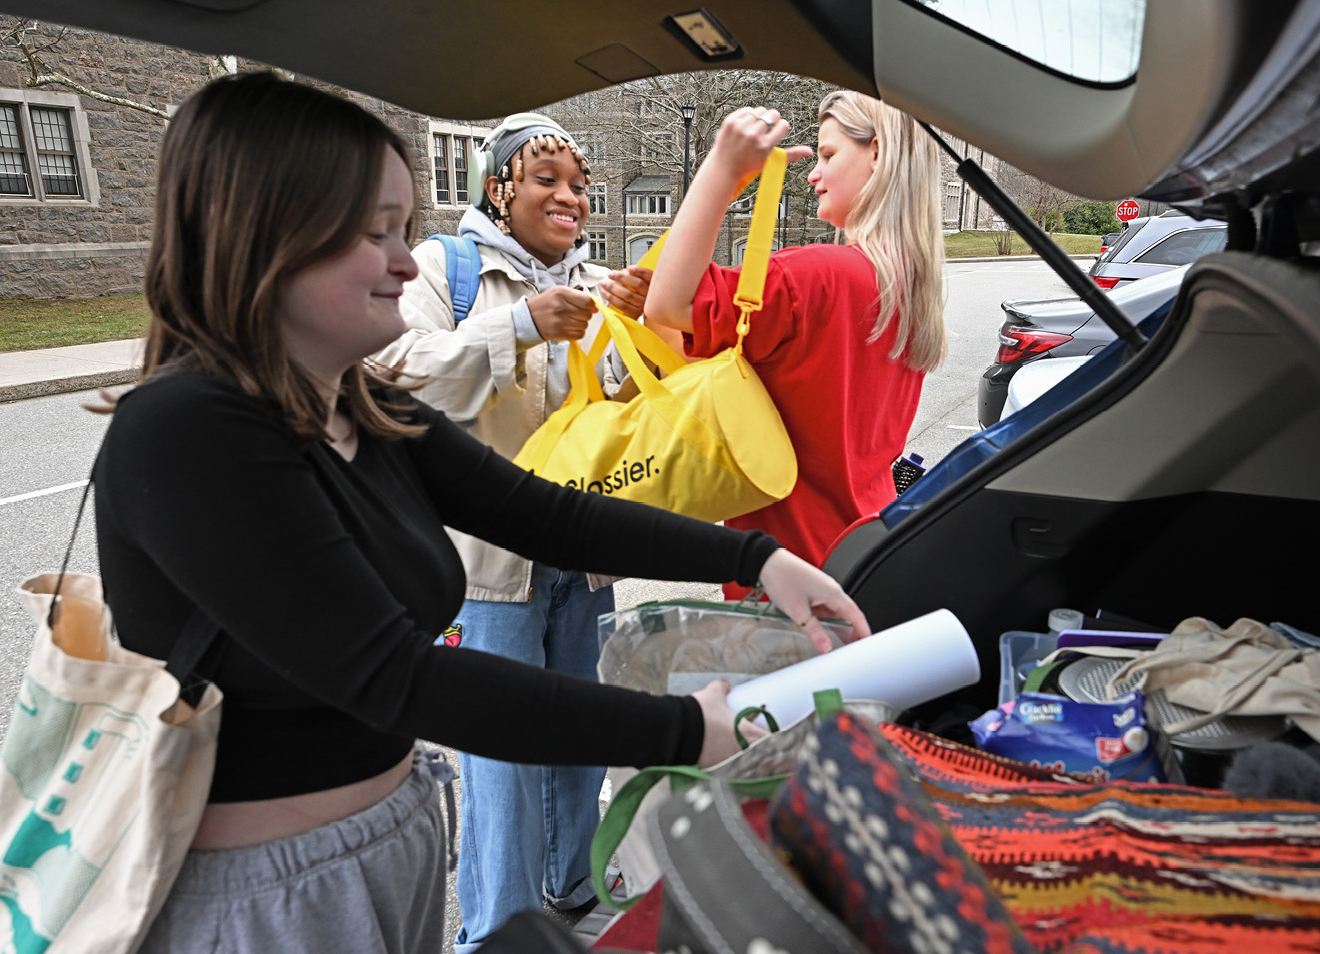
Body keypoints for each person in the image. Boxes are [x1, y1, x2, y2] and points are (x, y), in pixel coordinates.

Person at [91, 72, 869, 954]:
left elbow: (547, 515)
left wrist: (756, 560)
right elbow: (397, 677)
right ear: (264, 241)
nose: (402, 259)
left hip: (390, 840)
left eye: (403, 227)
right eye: (373, 232)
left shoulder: (360, 407)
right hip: (265, 895)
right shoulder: (189, 430)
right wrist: (688, 731)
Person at [372, 113, 660, 947]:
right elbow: (392, 374)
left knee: (580, 737)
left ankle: (572, 892)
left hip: (583, 558)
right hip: (486, 569)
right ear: (498, 188)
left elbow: (624, 414)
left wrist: (647, 333)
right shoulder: (444, 268)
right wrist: (524, 324)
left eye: (577, 183)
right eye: (546, 179)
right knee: (499, 763)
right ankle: (498, 933)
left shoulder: (600, 281)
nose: (569, 197)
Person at [645, 92, 947, 598]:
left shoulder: (811, 277)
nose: (813, 173)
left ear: (879, 152)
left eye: (828, 155)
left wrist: (724, 169)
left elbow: (669, 304)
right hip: (864, 553)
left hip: (787, 577)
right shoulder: (910, 292)